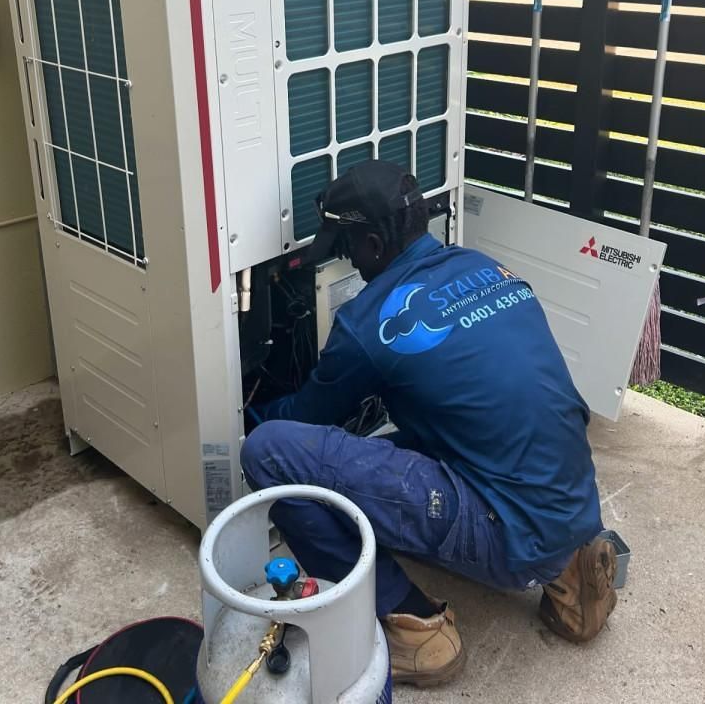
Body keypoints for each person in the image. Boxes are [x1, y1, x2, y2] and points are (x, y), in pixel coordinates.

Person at [241, 160, 616, 688]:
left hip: (507, 530)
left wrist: (248, 414)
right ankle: (570, 572)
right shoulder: (485, 268)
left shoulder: (370, 322)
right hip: (572, 500)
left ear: (374, 243)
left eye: (347, 248)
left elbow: (303, 420)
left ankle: (415, 628)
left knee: (268, 452)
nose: (350, 261)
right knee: (414, 437)